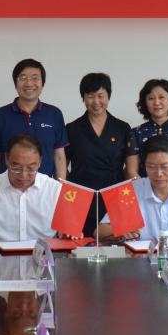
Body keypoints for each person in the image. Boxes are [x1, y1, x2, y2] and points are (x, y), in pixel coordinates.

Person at [65, 72, 131, 236]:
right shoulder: (72, 129)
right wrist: (72, 192)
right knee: (79, 244)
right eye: (90, 96)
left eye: (101, 96)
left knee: (116, 244)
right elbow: (62, 165)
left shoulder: (122, 128)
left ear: (109, 96)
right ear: (83, 97)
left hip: (114, 195)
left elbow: (130, 168)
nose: (96, 102)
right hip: (82, 197)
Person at [0, 59, 68, 180]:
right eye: (23, 78)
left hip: (45, 187)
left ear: (43, 83)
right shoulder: (0, 116)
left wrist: (60, 187)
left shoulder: (54, 114)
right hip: (8, 187)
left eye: (35, 78)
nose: (29, 83)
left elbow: (59, 156)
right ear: (15, 83)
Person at [124, 78, 168, 181]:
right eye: (151, 98)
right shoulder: (136, 132)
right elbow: (131, 171)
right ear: (145, 103)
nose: (156, 102)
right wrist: (146, 188)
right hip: (144, 189)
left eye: (161, 97)